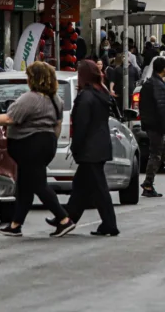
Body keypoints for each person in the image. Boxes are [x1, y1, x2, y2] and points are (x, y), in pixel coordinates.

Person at [0, 61, 73, 237]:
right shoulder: (56, 100)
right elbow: (57, 126)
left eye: (29, 76)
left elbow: (9, 119)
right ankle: (16, 224)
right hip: (46, 143)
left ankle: (64, 219)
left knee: (39, 185)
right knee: (25, 186)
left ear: (34, 78)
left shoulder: (30, 98)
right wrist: (49, 143)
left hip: (30, 146)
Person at [61, 60, 119, 236]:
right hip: (99, 146)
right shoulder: (101, 93)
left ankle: (109, 224)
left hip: (89, 149)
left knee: (99, 189)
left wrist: (76, 147)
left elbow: (81, 126)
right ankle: (67, 219)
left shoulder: (86, 97)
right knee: (81, 186)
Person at [138, 56, 165, 198]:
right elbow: (161, 106)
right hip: (156, 124)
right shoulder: (156, 84)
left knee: (162, 152)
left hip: (153, 123)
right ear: (164, 68)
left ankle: (149, 181)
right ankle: (148, 183)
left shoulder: (153, 83)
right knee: (157, 153)